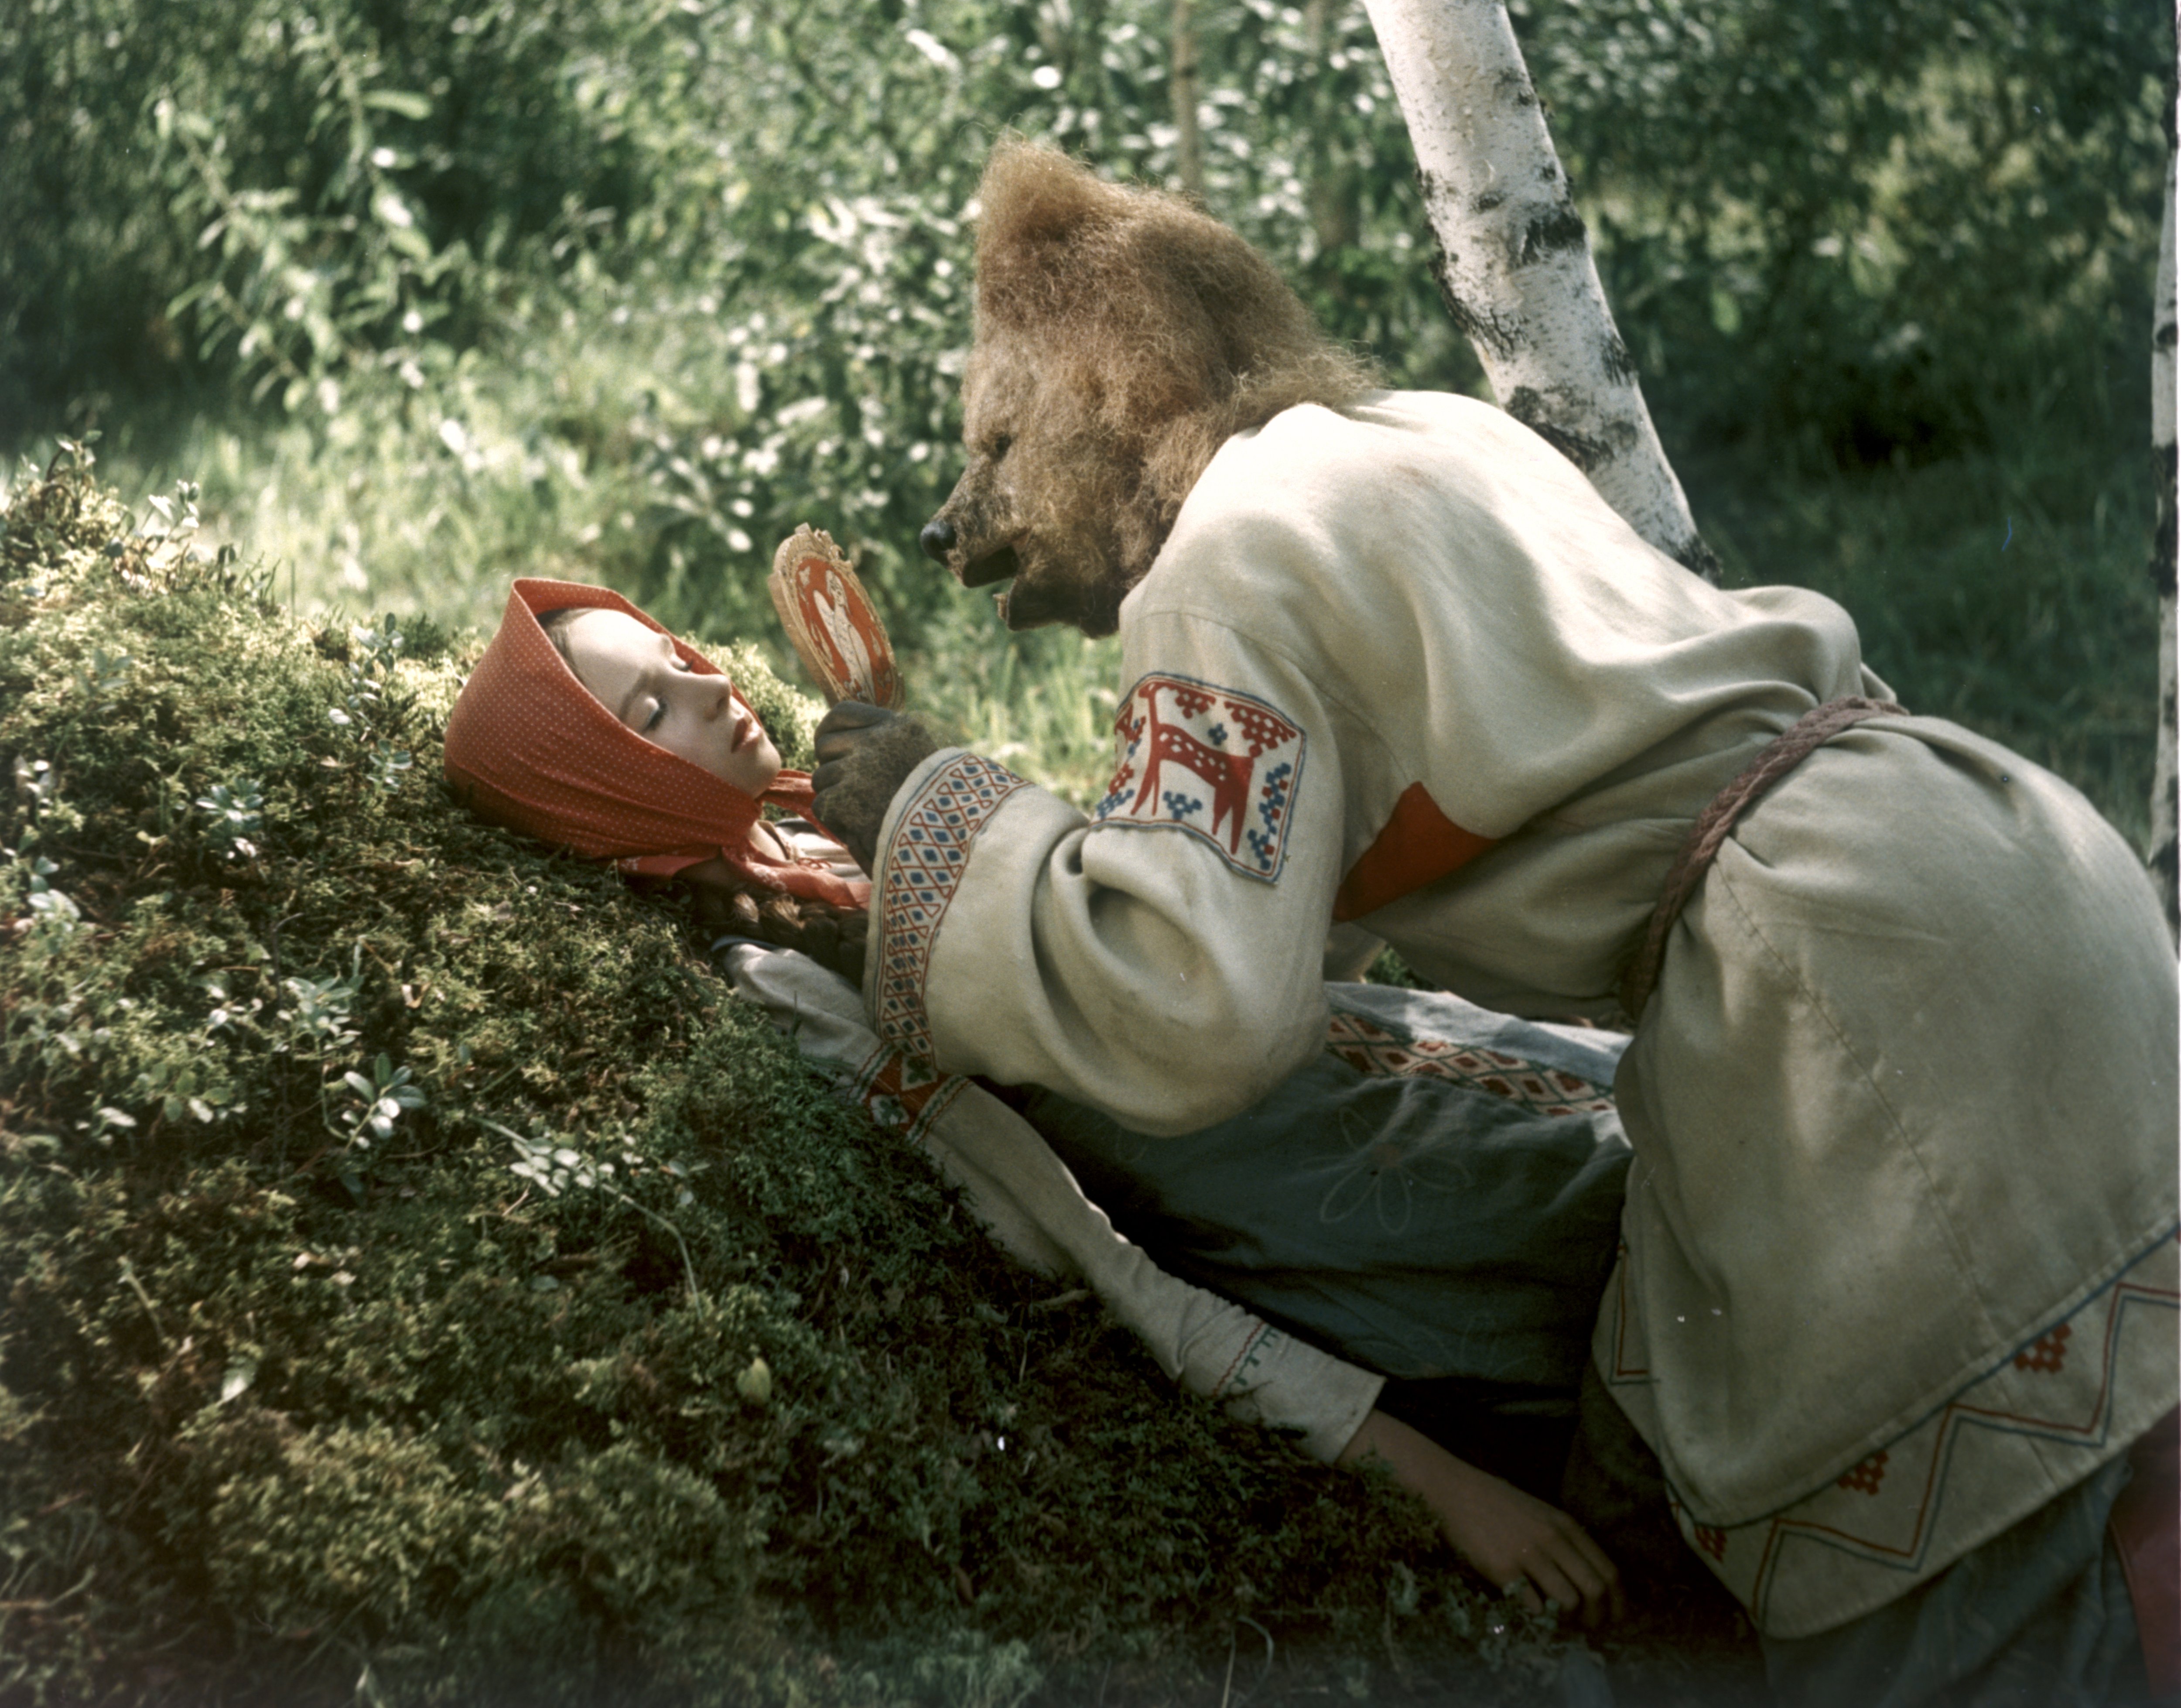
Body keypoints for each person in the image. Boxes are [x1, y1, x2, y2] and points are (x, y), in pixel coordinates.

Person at [807, 145, 2180, 1705]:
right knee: (2095, 1451)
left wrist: (940, 821)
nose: (963, 509)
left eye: (997, 440)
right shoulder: (1410, 440)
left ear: (1116, 394)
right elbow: (1326, 874)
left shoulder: (1220, 575)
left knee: (1925, 1604)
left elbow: (1199, 1002)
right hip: (2006, 862)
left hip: (1847, 994)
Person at [440, 576, 1637, 1623]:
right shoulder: (793, 996)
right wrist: (1443, 1482)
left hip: (1379, 1065)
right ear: (611, 806)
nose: (704, 687)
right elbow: (1097, 1259)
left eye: (678, 659)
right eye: (650, 714)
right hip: (1364, 1221)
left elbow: (1139, 944)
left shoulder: (813, 823)